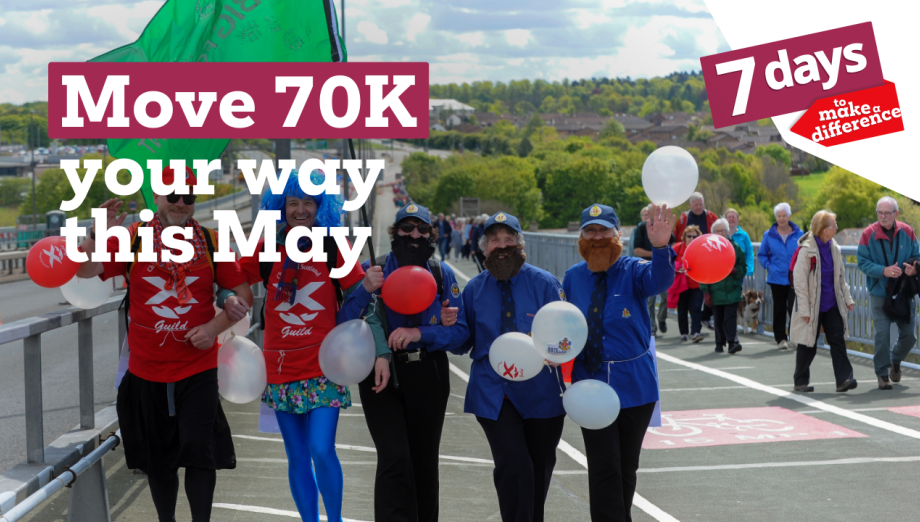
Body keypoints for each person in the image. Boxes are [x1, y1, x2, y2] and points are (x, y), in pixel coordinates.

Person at [75, 166, 254, 522]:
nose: (180, 204)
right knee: (159, 458)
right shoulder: (133, 238)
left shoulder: (211, 241)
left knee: (198, 450)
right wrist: (97, 229)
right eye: (172, 196)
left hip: (198, 367)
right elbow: (84, 270)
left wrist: (214, 325)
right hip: (147, 369)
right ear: (156, 197)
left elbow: (244, 296)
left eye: (189, 198)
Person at [231, 171, 383, 522]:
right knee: (297, 455)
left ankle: (334, 519)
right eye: (293, 202)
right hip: (280, 368)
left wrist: (368, 284)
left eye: (309, 203)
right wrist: (225, 294)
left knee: (321, 448)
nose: (301, 210)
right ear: (280, 207)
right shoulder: (267, 245)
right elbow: (233, 277)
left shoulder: (332, 245)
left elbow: (356, 302)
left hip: (324, 366)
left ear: (321, 207)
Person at [358, 203, 469, 522]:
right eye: (407, 228)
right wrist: (366, 288)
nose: (414, 235)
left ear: (432, 235)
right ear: (394, 233)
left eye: (422, 229)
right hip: (380, 375)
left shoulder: (441, 273)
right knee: (393, 458)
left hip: (428, 374)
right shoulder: (373, 269)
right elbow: (345, 319)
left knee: (423, 461)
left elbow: (461, 334)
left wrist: (421, 332)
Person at [563, 203, 675, 522]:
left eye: (604, 230)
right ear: (582, 237)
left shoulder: (634, 270)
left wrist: (661, 247)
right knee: (603, 467)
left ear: (618, 234)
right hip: (590, 385)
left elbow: (660, 280)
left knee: (626, 467)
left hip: (634, 386)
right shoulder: (572, 278)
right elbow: (562, 324)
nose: (597, 237)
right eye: (590, 231)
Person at [456, 211, 566, 522]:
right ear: (484, 247)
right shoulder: (474, 289)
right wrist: (442, 325)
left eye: (508, 239)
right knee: (515, 465)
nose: (501, 246)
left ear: (520, 244)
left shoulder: (545, 284)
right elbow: (461, 342)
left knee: (540, 466)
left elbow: (566, 336)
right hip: (493, 392)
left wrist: (554, 349)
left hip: (541, 393)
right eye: (494, 240)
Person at [857, 196, 920, 390]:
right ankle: (883, 374)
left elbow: (917, 256)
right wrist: (883, 270)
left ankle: (895, 360)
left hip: (903, 292)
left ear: (896, 214)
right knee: (882, 334)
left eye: (887, 213)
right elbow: (862, 262)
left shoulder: (908, 232)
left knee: (910, 336)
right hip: (879, 291)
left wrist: (915, 268)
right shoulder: (868, 234)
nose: (882, 216)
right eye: (879, 212)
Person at [790, 210, 857, 392]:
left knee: (837, 340)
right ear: (824, 230)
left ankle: (844, 380)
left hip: (832, 304)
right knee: (807, 343)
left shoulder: (834, 247)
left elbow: (840, 277)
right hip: (812, 305)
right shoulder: (807, 251)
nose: (836, 228)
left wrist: (848, 299)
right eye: (833, 225)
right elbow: (800, 283)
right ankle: (800, 381)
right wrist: (804, 310)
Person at [756, 202, 803, 350]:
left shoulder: (799, 234)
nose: (781, 219)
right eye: (779, 216)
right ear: (775, 217)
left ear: (789, 216)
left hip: (794, 277)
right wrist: (769, 266)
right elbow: (762, 255)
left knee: (794, 308)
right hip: (776, 278)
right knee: (779, 308)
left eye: (784, 216)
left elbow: (804, 253)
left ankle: (794, 337)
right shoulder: (769, 235)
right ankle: (781, 339)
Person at [700, 219, 746, 354]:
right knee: (718, 319)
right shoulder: (707, 249)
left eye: (723, 230)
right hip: (715, 290)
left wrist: (735, 271)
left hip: (733, 289)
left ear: (727, 232)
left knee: (730, 317)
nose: (720, 233)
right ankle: (719, 343)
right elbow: (702, 271)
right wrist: (705, 292)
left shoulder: (736, 248)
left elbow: (743, 267)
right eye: (717, 230)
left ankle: (733, 342)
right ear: (713, 232)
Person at [674, 192, 719, 329]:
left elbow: (719, 235)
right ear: (690, 205)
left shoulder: (711, 217)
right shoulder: (683, 219)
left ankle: (704, 317)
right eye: (696, 205)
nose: (699, 207)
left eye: (701, 204)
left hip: (708, 260)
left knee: (712, 290)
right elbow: (677, 237)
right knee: (689, 301)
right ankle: (691, 329)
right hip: (688, 261)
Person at [633, 203, 677, 337]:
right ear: (650, 213)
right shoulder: (641, 228)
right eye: (655, 212)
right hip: (646, 267)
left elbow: (674, 243)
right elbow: (636, 250)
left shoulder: (663, 225)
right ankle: (652, 326)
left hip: (662, 268)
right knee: (650, 301)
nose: (658, 215)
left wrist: (664, 251)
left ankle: (662, 318)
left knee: (665, 297)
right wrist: (657, 252)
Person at [671, 225, 704, 343]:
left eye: (694, 237)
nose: (691, 239)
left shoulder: (701, 249)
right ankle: (684, 332)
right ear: (684, 237)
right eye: (689, 236)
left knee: (696, 307)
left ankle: (696, 332)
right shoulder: (677, 248)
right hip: (682, 284)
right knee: (682, 308)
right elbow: (668, 262)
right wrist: (677, 267)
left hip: (696, 284)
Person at [725, 208, 754, 276]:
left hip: (740, 270)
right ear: (725, 220)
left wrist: (749, 269)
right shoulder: (722, 235)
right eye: (729, 217)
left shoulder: (744, 235)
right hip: (725, 271)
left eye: (733, 217)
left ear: (738, 220)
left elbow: (749, 254)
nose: (731, 219)